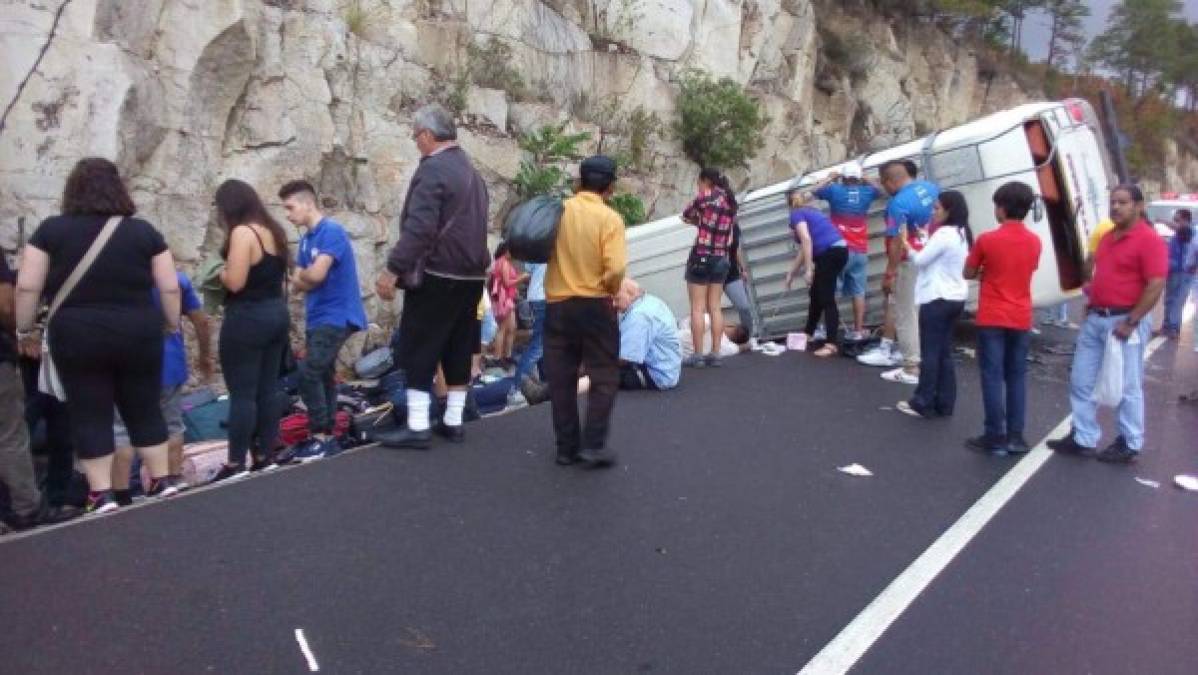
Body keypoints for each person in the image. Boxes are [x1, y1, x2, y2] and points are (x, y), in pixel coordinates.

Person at [14, 157, 182, 514]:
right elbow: (169, 287)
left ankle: (102, 493)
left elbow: (28, 285)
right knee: (143, 403)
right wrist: (170, 323)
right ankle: (162, 479)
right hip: (138, 328)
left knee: (89, 410)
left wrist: (24, 327)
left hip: (77, 332)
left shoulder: (50, 231)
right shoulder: (143, 232)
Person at [375, 103, 491, 449]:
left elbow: (420, 228)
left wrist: (393, 269)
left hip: (439, 272)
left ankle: (417, 424)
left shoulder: (433, 170)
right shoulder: (473, 172)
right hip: (473, 275)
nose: (416, 144)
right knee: (460, 343)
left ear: (427, 135)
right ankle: (453, 421)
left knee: (419, 344)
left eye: (416, 138)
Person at [1048, 185, 1168, 463]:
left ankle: (1129, 440)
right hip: (1097, 318)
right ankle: (1083, 434)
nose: (1115, 207)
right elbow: (1100, 272)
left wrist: (1132, 320)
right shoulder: (1107, 238)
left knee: (1126, 384)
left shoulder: (1149, 240)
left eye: (1122, 202)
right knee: (1081, 379)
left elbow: (1155, 284)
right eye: (1113, 202)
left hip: (1125, 321)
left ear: (1138, 206)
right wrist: (1092, 301)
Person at [542, 155, 626, 467]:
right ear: (610, 187)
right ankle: (593, 444)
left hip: (558, 305)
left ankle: (566, 447)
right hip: (595, 304)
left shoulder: (558, 211)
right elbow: (615, 267)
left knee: (561, 378)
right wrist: (610, 286)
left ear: (580, 181)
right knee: (603, 375)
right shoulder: (610, 219)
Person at [280, 180, 368, 462]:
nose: (288, 214)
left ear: (307, 203)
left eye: (290, 207)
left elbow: (313, 276)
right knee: (325, 376)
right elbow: (298, 285)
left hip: (337, 314)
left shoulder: (332, 231)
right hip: (317, 316)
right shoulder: (306, 240)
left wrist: (302, 274)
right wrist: (304, 276)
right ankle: (329, 437)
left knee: (308, 372)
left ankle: (319, 435)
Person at [211, 179, 291, 481]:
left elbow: (236, 282)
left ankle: (235, 462)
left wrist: (218, 272)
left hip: (247, 318)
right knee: (268, 389)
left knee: (242, 393)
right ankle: (265, 453)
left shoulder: (243, 233)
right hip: (276, 315)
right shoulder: (273, 232)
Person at [111, 269, 212, 504]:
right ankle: (171, 480)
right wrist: (205, 356)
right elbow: (201, 321)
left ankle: (125, 491)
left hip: (129, 365)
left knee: (123, 428)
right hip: (170, 362)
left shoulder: (119, 278)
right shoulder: (177, 280)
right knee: (172, 424)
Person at [1, 252, 79, 531]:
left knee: (54, 430)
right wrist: (22, 335)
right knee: (14, 435)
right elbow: (8, 309)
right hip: (20, 364)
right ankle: (25, 506)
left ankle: (49, 498)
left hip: (48, 366)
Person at [963, 182, 1042, 454]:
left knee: (992, 376)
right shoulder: (1034, 241)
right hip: (1020, 314)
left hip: (993, 314)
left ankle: (994, 433)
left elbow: (968, 272)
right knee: (1017, 376)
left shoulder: (987, 239)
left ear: (1002, 208)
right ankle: (1016, 436)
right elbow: (1029, 268)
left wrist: (986, 272)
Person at [895, 191, 972, 419]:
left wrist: (905, 245)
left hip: (936, 297)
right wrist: (925, 239)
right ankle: (944, 402)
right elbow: (938, 255)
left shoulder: (944, 234)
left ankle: (922, 400)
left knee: (930, 352)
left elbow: (920, 260)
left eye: (937, 208)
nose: (933, 212)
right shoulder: (962, 232)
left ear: (949, 210)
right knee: (943, 352)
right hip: (956, 296)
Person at [875, 160, 939, 384]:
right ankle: (928, 360)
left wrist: (889, 273)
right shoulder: (930, 188)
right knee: (923, 311)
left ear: (892, 181)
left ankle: (911, 367)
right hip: (931, 255)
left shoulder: (898, 204)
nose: (885, 189)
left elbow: (896, 242)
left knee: (906, 313)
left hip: (909, 261)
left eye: (884, 184)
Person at [811, 163, 883, 340]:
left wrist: (829, 178)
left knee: (827, 290)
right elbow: (882, 191)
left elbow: (813, 191)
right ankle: (858, 330)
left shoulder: (835, 190)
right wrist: (867, 178)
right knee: (858, 292)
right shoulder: (867, 192)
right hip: (860, 250)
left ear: (843, 178)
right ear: (859, 178)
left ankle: (824, 329)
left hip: (838, 250)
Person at [680, 168, 737, 368]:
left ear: (705, 180)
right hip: (722, 257)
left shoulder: (706, 196)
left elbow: (686, 214)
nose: (699, 186)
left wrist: (699, 222)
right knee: (715, 307)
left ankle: (697, 355)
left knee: (697, 307)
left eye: (699, 182)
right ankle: (715, 352)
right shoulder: (730, 199)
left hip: (702, 255)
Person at [785, 190, 848, 357]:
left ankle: (831, 344)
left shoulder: (796, 214)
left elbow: (806, 239)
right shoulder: (811, 212)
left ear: (789, 205)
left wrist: (809, 269)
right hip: (837, 250)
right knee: (816, 294)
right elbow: (803, 249)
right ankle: (808, 333)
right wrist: (792, 272)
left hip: (830, 253)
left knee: (827, 298)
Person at [613, 279, 681, 391]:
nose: (614, 304)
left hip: (657, 376)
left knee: (602, 375)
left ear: (631, 294)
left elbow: (625, 358)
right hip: (669, 368)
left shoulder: (638, 316)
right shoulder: (650, 300)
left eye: (617, 299)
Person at [488, 241, 526, 363]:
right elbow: (507, 283)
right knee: (503, 328)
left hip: (506, 298)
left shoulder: (503, 262)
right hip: (504, 300)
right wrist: (523, 277)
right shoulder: (503, 262)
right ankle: (498, 357)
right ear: (506, 251)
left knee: (512, 328)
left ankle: (507, 355)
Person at [513, 261, 547, 391]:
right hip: (545, 296)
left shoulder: (536, 245)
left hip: (535, 296)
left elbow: (528, 271)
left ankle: (544, 380)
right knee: (539, 344)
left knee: (543, 342)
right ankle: (517, 387)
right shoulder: (554, 244)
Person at [1159, 209, 1193, 339]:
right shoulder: (1179, 234)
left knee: (1175, 300)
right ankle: (1168, 326)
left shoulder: (1188, 230)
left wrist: (1161, 221)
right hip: (1174, 270)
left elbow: (1181, 230)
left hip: (1181, 272)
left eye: (1177, 219)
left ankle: (1172, 327)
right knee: (1170, 299)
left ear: (1185, 220)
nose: (1175, 222)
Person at [722, 222, 755, 340]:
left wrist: (742, 268)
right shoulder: (712, 225)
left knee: (744, 307)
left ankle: (748, 337)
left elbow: (735, 249)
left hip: (731, 273)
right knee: (711, 310)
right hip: (713, 274)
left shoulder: (734, 226)